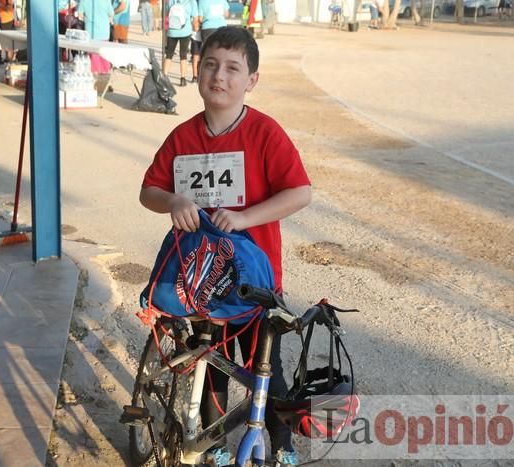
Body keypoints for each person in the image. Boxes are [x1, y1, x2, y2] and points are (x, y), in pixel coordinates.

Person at [139, 26, 311, 467]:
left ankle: (282, 444)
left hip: (255, 279)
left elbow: (300, 192)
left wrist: (245, 217)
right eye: (211, 64)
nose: (220, 76)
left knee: (264, 367)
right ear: (198, 71)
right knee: (209, 359)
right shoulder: (182, 137)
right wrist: (174, 200)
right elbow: (149, 191)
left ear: (251, 80)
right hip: (198, 277)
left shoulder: (265, 133)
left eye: (233, 68)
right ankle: (214, 445)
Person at [163, 0, 198, 87]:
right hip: (185, 31)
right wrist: (195, 27)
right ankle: (182, 79)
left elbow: (167, 16)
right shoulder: (191, 1)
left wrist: (166, 30)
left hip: (172, 30)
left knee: (169, 54)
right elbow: (195, 18)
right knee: (183, 55)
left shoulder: (171, 1)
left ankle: (164, 77)